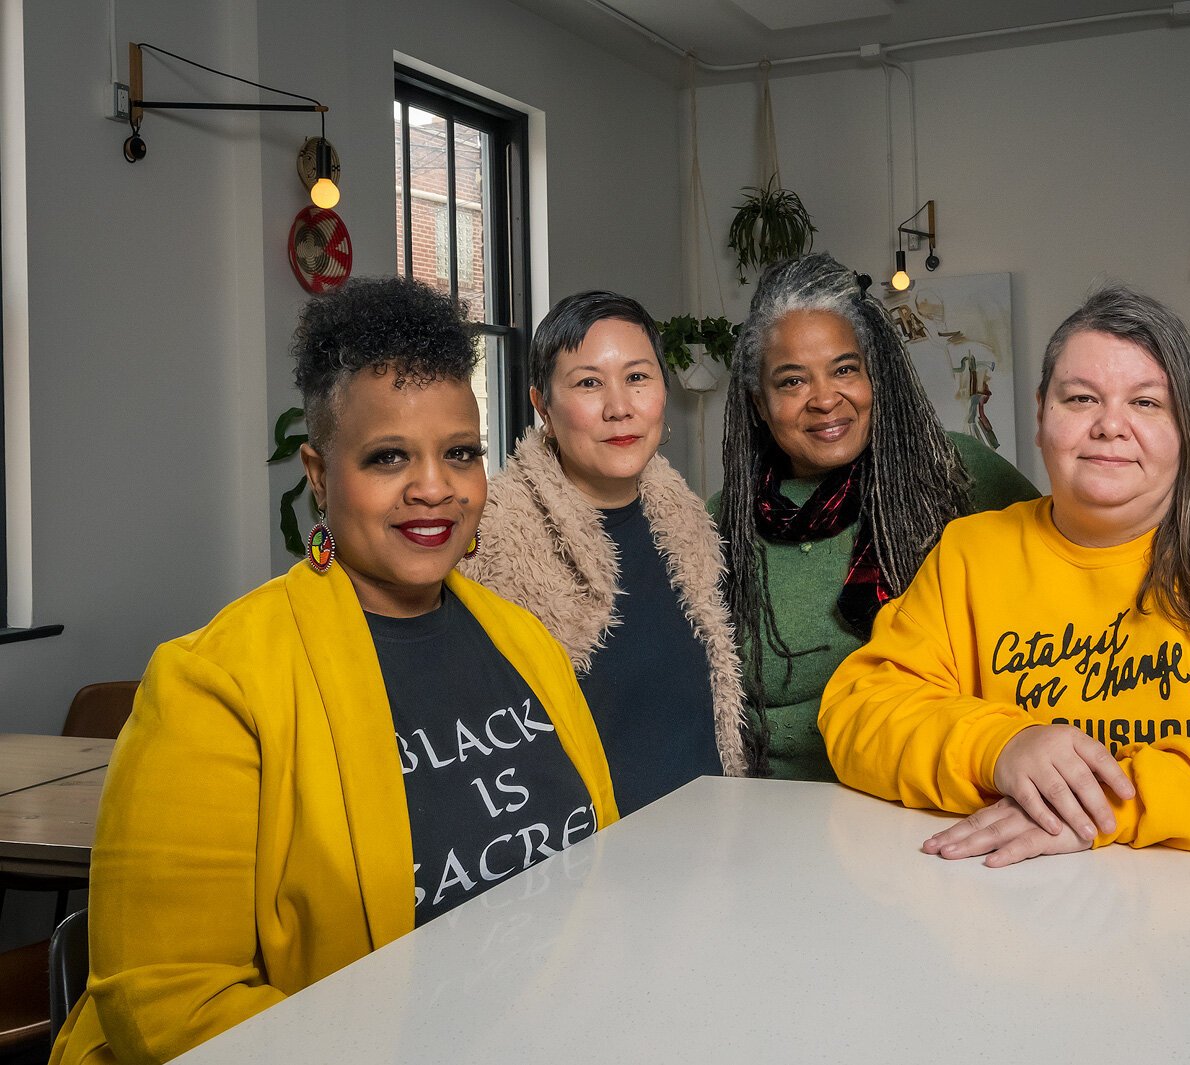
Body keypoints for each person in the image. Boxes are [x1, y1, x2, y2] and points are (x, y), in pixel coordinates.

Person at [52, 278, 616, 1065]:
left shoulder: (527, 643)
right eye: (389, 456)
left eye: (460, 452)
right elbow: (171, 1000)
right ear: (320, 473)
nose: (434, 486)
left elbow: (594, 874)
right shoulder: (214, 685)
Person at [819, 284, 1190, 864]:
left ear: (1186, 427)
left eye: (1146, 402)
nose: (1110, 425)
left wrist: (1109, 803)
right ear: (1040, 415)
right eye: (1081, 398)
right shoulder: (971, 551)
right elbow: (860, 709)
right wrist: (998, 747)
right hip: (1017, 904)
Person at [714, 253, 1037, 780]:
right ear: (759, 402)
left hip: (937, 804)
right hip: (771, 817)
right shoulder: (718, 523)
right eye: (792, 381)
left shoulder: (959, 475)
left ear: (873, 375)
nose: (825, 399)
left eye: (844, 369)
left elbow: (1069, 582)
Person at [461, 291, 749, 815]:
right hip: (580, 869)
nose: (620, 408)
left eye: (637, 377)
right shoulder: (489, 540)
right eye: (589, 383)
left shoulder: (688, 520)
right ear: (542, 406)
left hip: (712, 845)